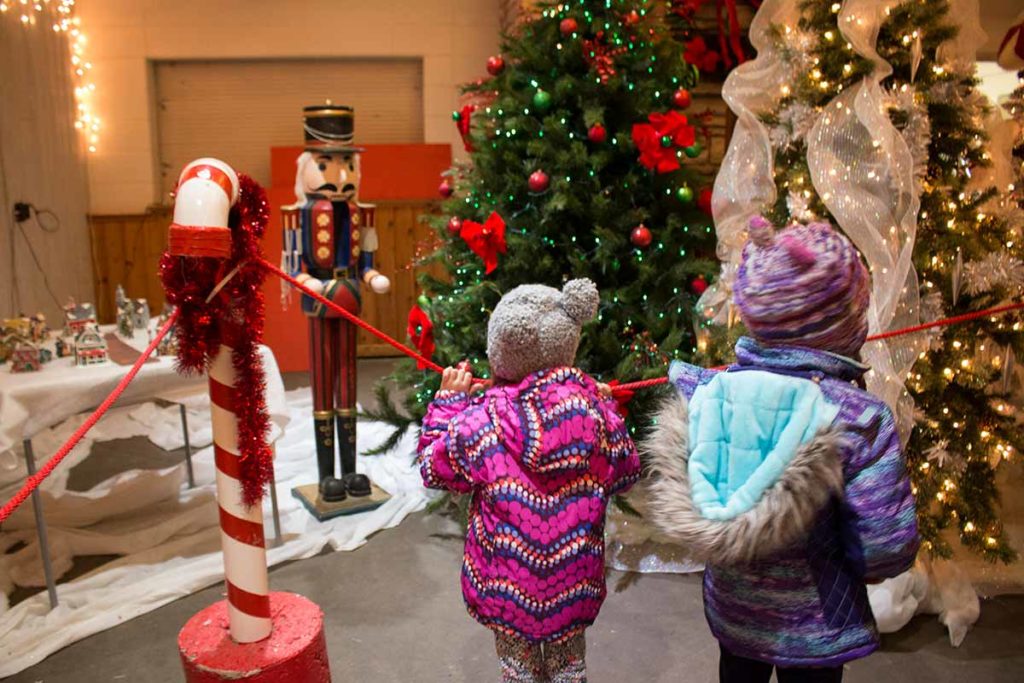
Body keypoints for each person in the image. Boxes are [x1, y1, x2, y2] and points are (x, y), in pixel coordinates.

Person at [645, 216, 920, 682]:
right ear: (846, 320)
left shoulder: (711, 394)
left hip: (734, 611)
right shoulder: (858, 418)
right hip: (816, 623)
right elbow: (884, 546)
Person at [418, 278, 640, 683]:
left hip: (507, 589)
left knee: (518, 672)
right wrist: (604, 405)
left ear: (502, 351)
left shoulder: (480, 421)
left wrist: (447, 404)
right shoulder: (594, 415)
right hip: (573, 587)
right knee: (569, 669)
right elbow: (626, 469)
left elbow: (434, 467)